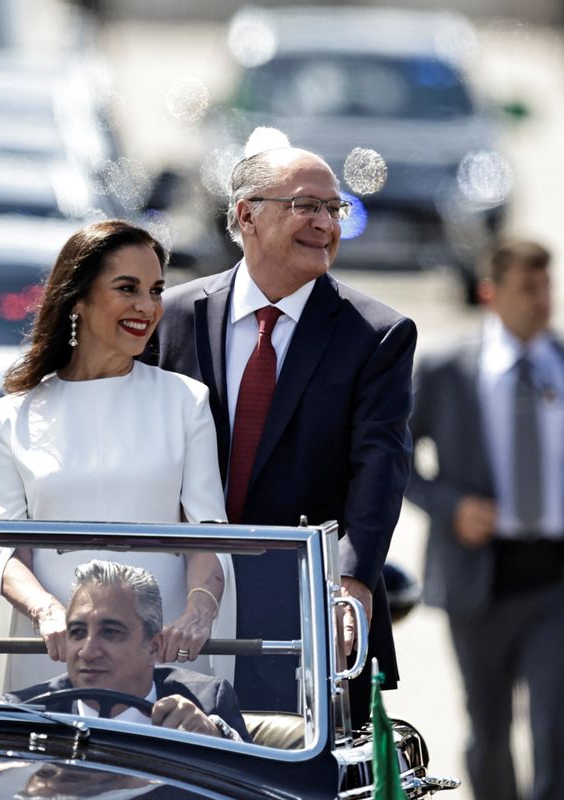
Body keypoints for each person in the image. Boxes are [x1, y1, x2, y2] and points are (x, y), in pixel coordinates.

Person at [152, 136, 416, 723]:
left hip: (303, 615)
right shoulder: (171, 317)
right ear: (247, 214)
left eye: (334, 209)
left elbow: (381, 466)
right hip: (177, 606)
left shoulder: (376, 335)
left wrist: (350, 582)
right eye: (307, 206)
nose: (325, 223)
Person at [0, 220, 233, 698]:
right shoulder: (12, 416)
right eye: (126, 288)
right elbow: (2, 551)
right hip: (52, 659)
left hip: (158, 656)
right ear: (78, 299)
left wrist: (199, 613)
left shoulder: (186, 401)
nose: (147, 307)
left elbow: (206, 534)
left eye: (155, 290)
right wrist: (49, 614)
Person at [406, 239, 564, 800]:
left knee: (555, 727)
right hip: (480, 583)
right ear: (491, 294)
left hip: (554, 582)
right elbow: (394, 454)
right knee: (490, 731)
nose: (541, 299)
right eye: (527, 287)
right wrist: (451, 507)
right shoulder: (450, 370)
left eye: (546, 285)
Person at [4, 560, 250, 742]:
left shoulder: (207, 701)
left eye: (110, 632)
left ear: (153, 646)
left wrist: (215, 737)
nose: (87, 652)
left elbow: (254, 783)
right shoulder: (22, 714)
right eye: (77, 632)